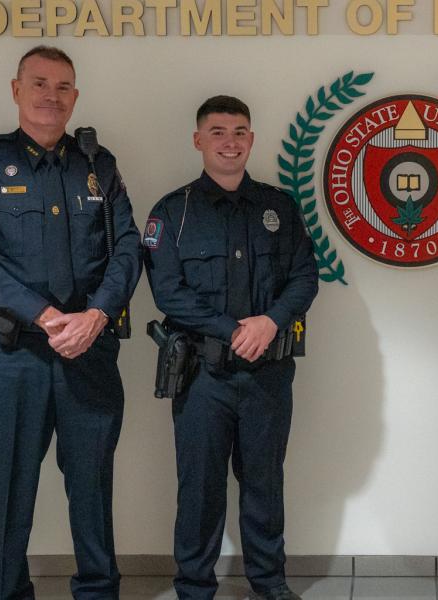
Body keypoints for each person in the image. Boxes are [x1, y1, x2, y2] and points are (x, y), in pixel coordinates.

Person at [0, 46, 141, 600]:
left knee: (92, 487)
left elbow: (128, 248)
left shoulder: (98, 164)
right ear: (16, 90)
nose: (51, 96)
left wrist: (97, 314)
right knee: (7, 489)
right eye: (39, 84)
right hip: (13, 358)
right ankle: (8, 593)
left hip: (89, 352)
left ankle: (98, 591)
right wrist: (47, 315)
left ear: (75, 96)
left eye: (62, 87)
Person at [142, 95, 318, 600]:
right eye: (218, 132)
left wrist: (271, 321)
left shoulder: (279, 206)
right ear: (198, 140)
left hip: (267, 375)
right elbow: (168, 291)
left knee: (264, 485)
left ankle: (269, 583)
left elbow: (305, 277)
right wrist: (232, 329)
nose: (230, 142)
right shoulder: (173, 212)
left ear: (251, 140)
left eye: (240, 132)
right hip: (202, 376)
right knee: (199, 488)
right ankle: (195, 588)